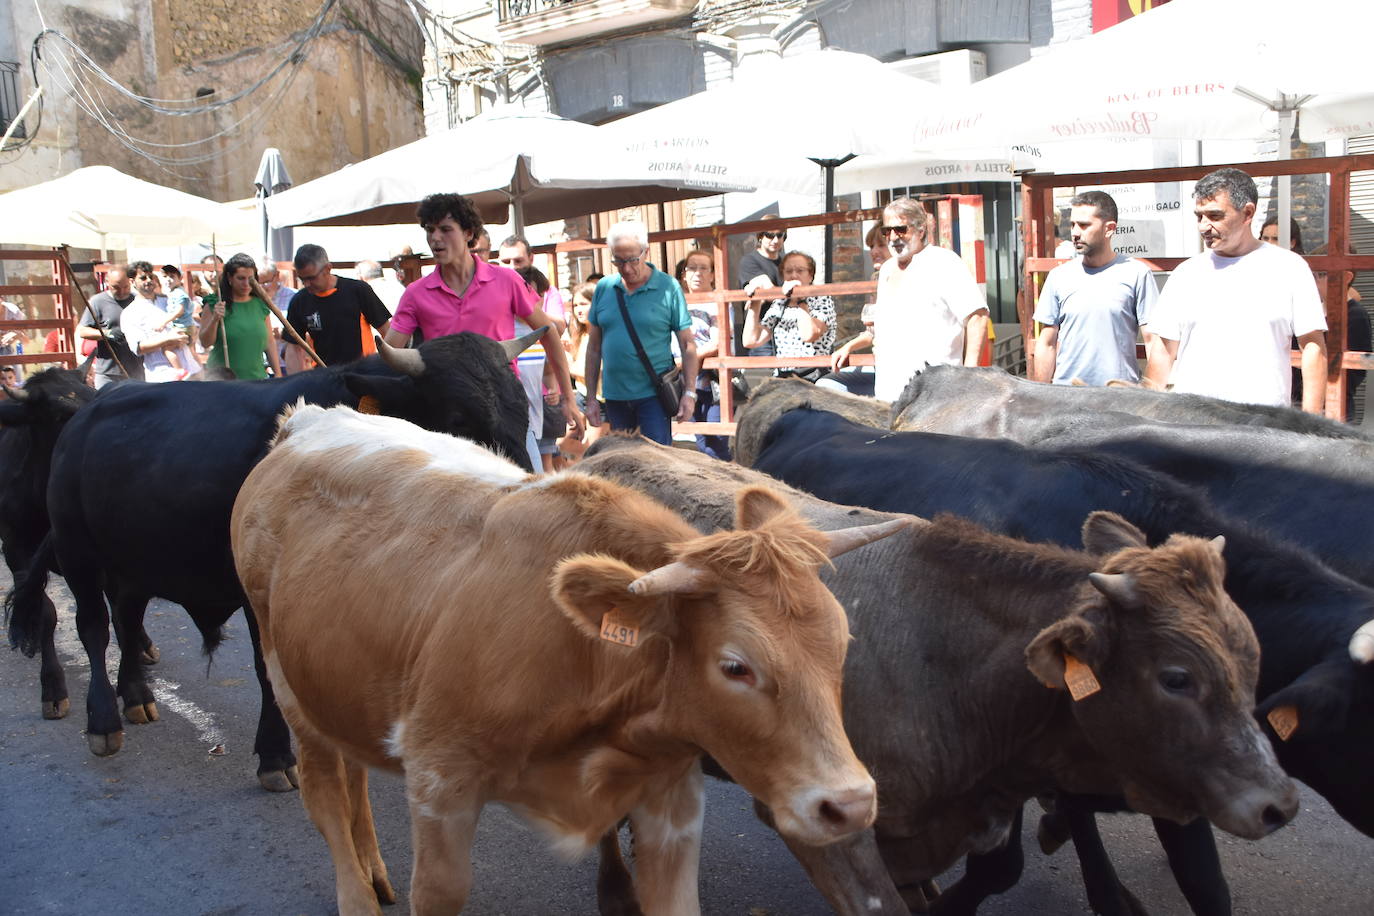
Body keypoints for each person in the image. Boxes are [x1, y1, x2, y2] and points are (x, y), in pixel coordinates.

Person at [384, 192, 584, 469]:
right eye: (430, 230)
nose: (435, 239)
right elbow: (389, 353)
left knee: (527, 487)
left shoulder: (507, 280)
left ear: (468, 233)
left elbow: (548, 332)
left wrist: (568, 398)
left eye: (445, 229)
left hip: (504, 405)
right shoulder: (415, 294)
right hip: (447, 418)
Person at [1145, 167, 1327, 412]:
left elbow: (1313, 347)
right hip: (1192, 427)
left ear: (1247, 213)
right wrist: (1145, 418)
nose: (1203, 226)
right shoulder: (1185, 274)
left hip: (1263, 429)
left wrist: (1310, 426)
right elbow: (1163, 352)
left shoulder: (1290, 268)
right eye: (1199, 216)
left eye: (1215, 215)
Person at [830, 197, 990, 403]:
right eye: (888, 231)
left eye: (900, 230)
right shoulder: (887, 268)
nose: (893, 237)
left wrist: (968, 378)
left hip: (935, 395)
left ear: (921, 230)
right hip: (889, 393)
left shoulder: (943, 262)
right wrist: (851, 345)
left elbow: (977, 317)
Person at [584, 220, 697, 445]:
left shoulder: (668, 287)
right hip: (615, 396)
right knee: (624, 465)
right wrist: (590, 399)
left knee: (656, 465)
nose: (626, 268)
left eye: (632, 260)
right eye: (618, 260)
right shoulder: (604, 288)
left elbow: (687, 345)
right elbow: (594, 347)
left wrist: (690, 393)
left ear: (646, 251)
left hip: (653, 396)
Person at [1031, 191, 1159, 386]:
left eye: (1084, 225)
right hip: (1068, 395)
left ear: (1109, 229)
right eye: (1073, 224)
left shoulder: (1137, 274)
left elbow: (1152, 341)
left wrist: (1151, 395)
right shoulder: (1059, 276)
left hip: (1118, 397)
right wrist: (1039, 397)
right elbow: (1047, 343)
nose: (1074, 232)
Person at [285, 244, 392, 372]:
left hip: (362, 375)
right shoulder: (299, 301)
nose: (307, 284)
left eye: (311, 278)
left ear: (328, 269)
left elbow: (386, 331)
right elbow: (293, 347)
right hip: (324, 377)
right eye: (302, 279)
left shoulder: (358, 290)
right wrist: (296, 384)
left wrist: (389, 370)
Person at [742, 250, 837, 381]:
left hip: (814, 377)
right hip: (784, 377)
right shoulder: (780, 302)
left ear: (810, 275)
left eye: (800, 270)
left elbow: (809, 335)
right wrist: (756, 301)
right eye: (788, 271)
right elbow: (751, 341)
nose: (794, 275)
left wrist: (800, 300)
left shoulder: (822, 299)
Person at [679, 248, 731, 461]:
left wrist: (687, 359)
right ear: (684, 274)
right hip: (684, 381)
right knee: (699, 441)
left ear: (712, 274)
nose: (697, 273)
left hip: (712, 382)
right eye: (692, 268)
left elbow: (718, 342)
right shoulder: (677, 302)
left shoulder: (717, 302)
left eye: (703, 268)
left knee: (715, 443)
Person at [199, 253, 283, 380]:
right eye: (241, 278)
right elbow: (205, 342)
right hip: (222, 380)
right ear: (229, 278)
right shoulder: (215, 303)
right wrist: (215, 319)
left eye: (250, 279)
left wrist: (278, 374)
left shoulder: (260, 304)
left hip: (256, 379)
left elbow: (269, 342)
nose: (246, 284)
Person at [122, 260, 200, 382]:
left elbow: (190, 323)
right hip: (164, 376)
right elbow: (138, 348)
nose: (148, 280)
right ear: (132, 282)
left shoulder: (169, 300)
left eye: (151, 277)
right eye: (143, 278)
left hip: (192, 370)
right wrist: (168, 340)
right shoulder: (130, 313)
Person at [559, 281, 609, 461]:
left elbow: (598, 370)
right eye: (575, 305)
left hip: (602, 399)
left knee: (592, 451)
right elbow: (569, 365)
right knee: (560, 442)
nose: (578, 310)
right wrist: (568, 355)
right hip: (581, 396)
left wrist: (571, 367)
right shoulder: (576, 333)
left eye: (584, 304)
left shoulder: (605, 333)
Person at [78, 264, 143, 387]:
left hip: (137, 370)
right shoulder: (98, 302)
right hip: (108, 373)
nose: (122, 291)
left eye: (125, 287)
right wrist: (107, 334)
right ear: (107, 282)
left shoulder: (138, 300)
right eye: (116, 287)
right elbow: (83, 331)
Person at [737, 217, 787, 358]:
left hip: (785, 329)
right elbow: (767, 292)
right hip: (761, 330)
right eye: (770, 235)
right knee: (764, 377)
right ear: (760, 236)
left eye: (779, 235)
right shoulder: (749, 261)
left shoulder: (786, 262)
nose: (775, 240)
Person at [498, 235, 566, 328]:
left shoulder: (547, 291)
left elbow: (560, 327)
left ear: (531, 258)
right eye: (506, 262)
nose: (512, 267)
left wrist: (529, 311)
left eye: (518, 261)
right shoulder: (492, 291)